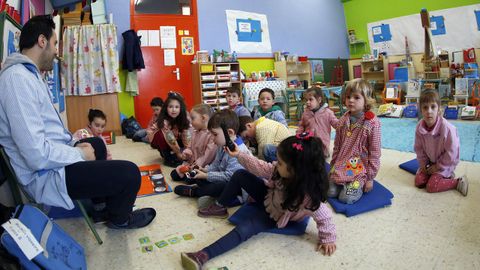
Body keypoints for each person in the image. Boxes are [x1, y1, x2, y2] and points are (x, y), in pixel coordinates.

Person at [0, 15, 155, 229]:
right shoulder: (17, 79)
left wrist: (73, 144)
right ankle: (120, 220)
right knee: (130, 174)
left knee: (98, 144)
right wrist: (79, 154)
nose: (56, 51)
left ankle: (102, 209)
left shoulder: (30, 76)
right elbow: (35, 155)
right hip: (47, 175)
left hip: (53, 163)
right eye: (55, 43)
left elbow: (46, 134)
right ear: (42, 41)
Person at [181, 133, 336, 269]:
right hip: (270, 197)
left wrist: (328, 239)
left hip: (279, 215)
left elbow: (325, 216)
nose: (276, 163)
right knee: (241, 174)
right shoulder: (279, 171)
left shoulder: (308, 197)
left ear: (295, 171)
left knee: (245, 228)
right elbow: (259, 167)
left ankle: (202, 255)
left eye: (280, 162)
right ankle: (220, 206)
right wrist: (239, 155)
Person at [173, 109, 250, 202]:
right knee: (199, 177)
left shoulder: (239, 151)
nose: (212, 139)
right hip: (223, 177)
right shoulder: (222, 145)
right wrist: (204, 170)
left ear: (230, 133)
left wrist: (206, 176)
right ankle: (204, 191)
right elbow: (216, 165)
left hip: (236, 187)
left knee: (219, 187)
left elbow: (229, 176)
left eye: (215, 134)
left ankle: (195, 192)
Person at [328, 79, 381, 204]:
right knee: (329, 193)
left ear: (366, 101)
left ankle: (357, 183)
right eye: (348, 97)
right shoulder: (343, 120)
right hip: (341, 165)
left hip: (359, 170)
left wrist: (370, 178)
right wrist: (333, 166)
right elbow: (337, 146)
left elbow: (375, 153)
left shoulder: (372, 123)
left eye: (356, 97)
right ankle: (340, 180)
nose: (351, 100)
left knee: (346, 198)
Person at [414, 90, 468, 195]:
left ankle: (457, 182)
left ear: (439, 109)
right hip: (430, 162)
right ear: (421, 110)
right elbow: (419, 149)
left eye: (433, 107)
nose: (429, 111)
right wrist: (424, 165)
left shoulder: (448, 128)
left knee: (431, 186)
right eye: (425, 107)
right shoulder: (419, 127)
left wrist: (438, 166)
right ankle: (436, 175)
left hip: (445, 163)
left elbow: (451, 153)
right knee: (419, 181)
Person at [170, 104, 216, 182]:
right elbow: (190, 147)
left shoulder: (211, 135)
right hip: (191, 163)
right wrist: (186, 153)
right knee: (174, 174)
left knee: (190, 179)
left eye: (193, 118)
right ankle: (189, 175)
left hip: (203, 166)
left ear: (203, 118)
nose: (191, 121)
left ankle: (192, 177)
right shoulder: (195, 132)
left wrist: (194, 166)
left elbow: (207, 157)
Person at [151, 92, 192, 167]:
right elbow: (170, 139)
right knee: (159, 134)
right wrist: (178, 153)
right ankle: (166, 155)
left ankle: (174, 152)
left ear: (181, 108)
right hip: (165, 140)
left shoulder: (185, 117)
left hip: (177, 138)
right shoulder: (164, 120)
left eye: (177, 107)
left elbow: (187, 135)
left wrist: (187, 150)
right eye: (170, 107)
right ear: (166, 108)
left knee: (185, 153)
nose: (173, 110)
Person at [297, 87, 339, 157]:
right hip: (308, 142)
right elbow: (301, 125)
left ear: (319, 100)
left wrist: (344, 123)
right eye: (306, 100)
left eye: (310, 99)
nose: (307, 102)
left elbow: (336, 124)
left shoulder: (327, 112)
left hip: (322, 145)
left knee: (318, 158)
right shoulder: (306, 113)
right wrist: (298, 135)